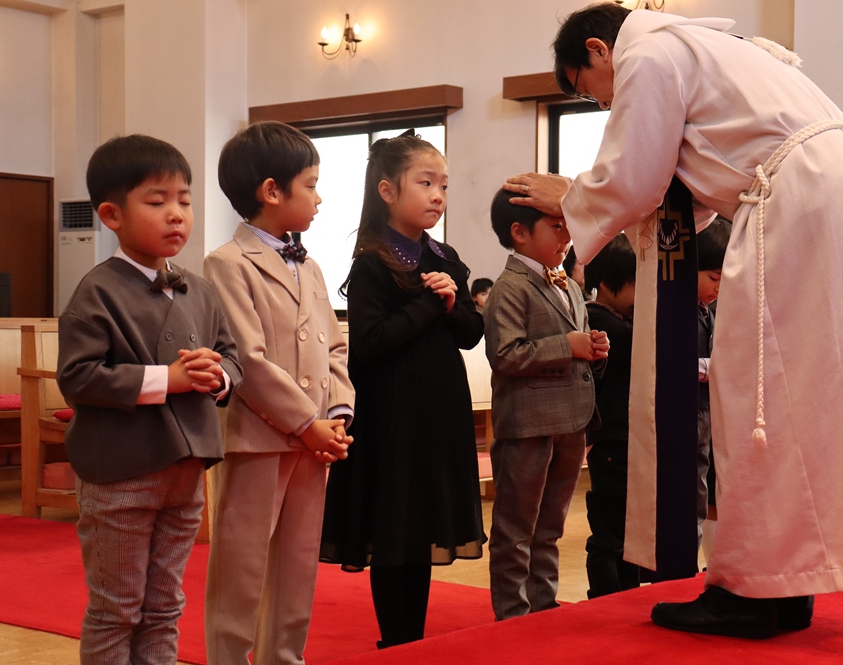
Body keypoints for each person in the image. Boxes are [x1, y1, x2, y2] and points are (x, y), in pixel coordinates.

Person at [504, 2, 843, 639]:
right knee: (804, 400)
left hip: (801, 203)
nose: (605, 107)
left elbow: (636, 177)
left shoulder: (650, 51)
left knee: (757, 395)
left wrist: (571, 195)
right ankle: (786, 581)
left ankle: (749, 590)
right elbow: (681, 190)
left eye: (592, 92)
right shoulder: (720, 49)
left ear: (598, 50)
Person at [56, 135, 243, 665]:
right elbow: (78, 377)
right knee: (117, 610)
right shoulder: (97, 291)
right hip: (122, 474)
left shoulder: (200, 289)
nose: (176, 214)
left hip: (185, 473)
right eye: (157, 202)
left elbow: (232, 359)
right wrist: (169, 379)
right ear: (111, 215)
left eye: (184, 200)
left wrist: (217, 376)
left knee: (165, 605)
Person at [319, 131, 486, 649]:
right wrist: (428, 304)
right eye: (426, 183)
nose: (438, 195)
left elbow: (471, 333)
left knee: (423, 525)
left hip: (439, 412)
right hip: (392, 415)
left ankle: (413, 642)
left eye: (444, 186)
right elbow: (369, 343)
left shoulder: (444, 255)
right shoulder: (372, 261)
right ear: (388, 191)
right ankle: (395, 641)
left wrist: (452, 303)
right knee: (395, 527)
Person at [202, 121, 356, 665]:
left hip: (314, 442)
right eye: (310, 185)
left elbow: (336, 346)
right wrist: (306, 423)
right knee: (241, 568)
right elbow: (248, 359)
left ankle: (285, 657)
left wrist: (337, 415)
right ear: (272, 191)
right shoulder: (226, 262)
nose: (319, 198)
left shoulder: (310, 265)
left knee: (297, 564)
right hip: (259, 439)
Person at [483, 187, 609, 621]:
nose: (567, 237)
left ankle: (544, 607)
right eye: (557, 226)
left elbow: (577, 348)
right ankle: (513, 615)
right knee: (516, 528)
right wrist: (567, 345)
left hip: (571, 420)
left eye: (569, 226)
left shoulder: (569, 286)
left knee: (551, 525)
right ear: (519, 232)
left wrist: (594, 349)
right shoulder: (509, 288)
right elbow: (504, 355)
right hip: (528, 423)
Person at [581, 233, 639, 598]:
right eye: (636, 282)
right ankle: (605, 598)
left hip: (621, 438)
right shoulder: (603, 323)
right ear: (605, 283)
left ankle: (625, 595)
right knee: (611, 531)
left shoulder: (618, 319)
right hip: (612, 440)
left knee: (626, 531)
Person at [695, 218, 731, 567]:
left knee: (707, 492)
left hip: (710, 415)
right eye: (714, 278)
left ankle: (714, 566)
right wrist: (716, 366)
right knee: (696, 498)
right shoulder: (677, 311)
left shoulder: (709, 310)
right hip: (690, 414)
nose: (719, 288)